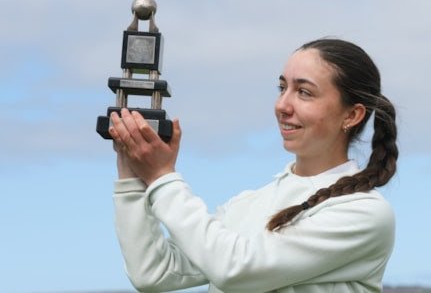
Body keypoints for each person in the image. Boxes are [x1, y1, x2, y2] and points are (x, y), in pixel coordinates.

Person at [109, 38, 399, 293]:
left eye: (304, 92)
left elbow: (236, 269)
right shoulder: (245, 205)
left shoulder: (364, 213)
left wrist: (163, 177)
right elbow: (154, 273)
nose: (282, 105)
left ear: (352, 115)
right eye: (282, 87)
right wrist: (132, 175)